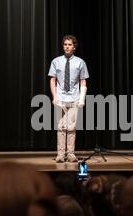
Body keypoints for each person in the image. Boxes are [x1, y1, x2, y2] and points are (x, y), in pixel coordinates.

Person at [48, 35, 89, 163]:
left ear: (74, 47)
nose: (67, 46)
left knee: (71, 128)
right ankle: (60, 154)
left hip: (74, 98)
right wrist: (54, 96)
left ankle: (70, 154)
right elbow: (52, 79)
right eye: (65, 44)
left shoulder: (80, 62)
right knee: (61, 127)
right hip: (60, 98)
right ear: (63, 46)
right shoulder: (56, 61)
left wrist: (82, 99)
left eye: (70, 44)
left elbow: (83, 81)